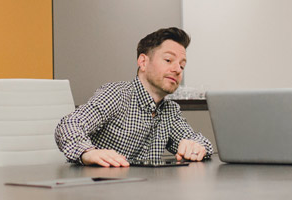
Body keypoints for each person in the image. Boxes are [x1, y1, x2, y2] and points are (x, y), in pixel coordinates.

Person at [55, 27, 213, 167]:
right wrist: (88, 152)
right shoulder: (117, 94)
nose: (177, 69)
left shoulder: (170, 111)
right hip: (99, 189)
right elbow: (69, 124)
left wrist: (196, 146)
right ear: (143, 62)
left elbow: (202, 142)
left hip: (146, 194)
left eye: (182, 65)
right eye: (168, 60)